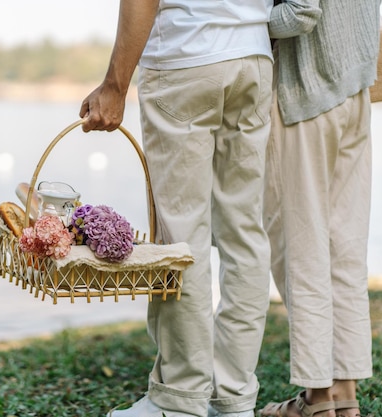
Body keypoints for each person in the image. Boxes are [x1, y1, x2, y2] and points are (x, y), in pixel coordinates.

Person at [80, 1, 274, 416]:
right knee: (245, 234)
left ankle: (181, 400)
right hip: (253, 58)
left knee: (181, 237)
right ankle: (234, 398)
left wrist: (114, 84)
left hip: (187, 57)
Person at [259, 1, 381, 416]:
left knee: (303, 249)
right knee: (344, 249)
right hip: (355, 89)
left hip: (306, 93)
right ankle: (345, 396)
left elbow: (301, 12)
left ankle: (317, 400)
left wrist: (233, 21)